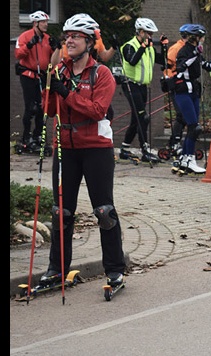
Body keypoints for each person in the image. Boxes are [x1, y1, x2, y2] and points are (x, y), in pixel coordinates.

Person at [39, 13, 127, 289]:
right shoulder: (60, 70)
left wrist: (66, 94)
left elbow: (97, 110)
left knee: (104, 211)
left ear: (89, 42)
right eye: (67, 36)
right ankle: (57, 269)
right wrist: (49, 88)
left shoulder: (102, 74)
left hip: (97, 149)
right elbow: (50, 111)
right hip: (65, 149)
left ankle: (114, 270)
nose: (69, 40)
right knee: (60, 212)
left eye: (75, 36)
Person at [171, 24, 211, 175]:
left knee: (194, 127)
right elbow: (181, 67)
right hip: (183, 91)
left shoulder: (196, 52)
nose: (203, 40)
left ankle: (186, 158)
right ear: (195, 38)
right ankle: (188, 158)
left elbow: (208, 66)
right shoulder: (184, 51)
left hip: (193, 91)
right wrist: (195, 54)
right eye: (201, 38)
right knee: (193, 127)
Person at [118, 17, 168, 163]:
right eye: (148, 33)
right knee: (143, 118)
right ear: (140, 32)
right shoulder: (129, 45)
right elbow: (132, 61)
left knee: (136, 119)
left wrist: (164, 47)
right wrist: (143, 47)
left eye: (152, 34)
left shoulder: (149, 47)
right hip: (130, 85)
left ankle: (124, 150)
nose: (151, 36)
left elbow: (163, 61)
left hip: (143, 87)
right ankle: (145, 150)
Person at [15, 10, 56, 153]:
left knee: (42, 107)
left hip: (42, 76)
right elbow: (18, 54)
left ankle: (38, 135)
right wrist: (29, 45)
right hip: (28, 76)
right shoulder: (25, 36)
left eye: (46, 22)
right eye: (43, 22)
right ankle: (26, 136)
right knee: (30, 107)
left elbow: (55, 59)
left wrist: (56, 48)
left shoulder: (47, 38)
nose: (46, 25)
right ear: (35, 23)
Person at [163, 24, 191, 162]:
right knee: (181, 115)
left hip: (187, 86)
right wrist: (172, 81)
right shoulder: (175, 49)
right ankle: (174, 143)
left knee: (186, 116)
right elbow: (168, 67)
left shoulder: (190, 49)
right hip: (177, 85)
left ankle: (174, 142)